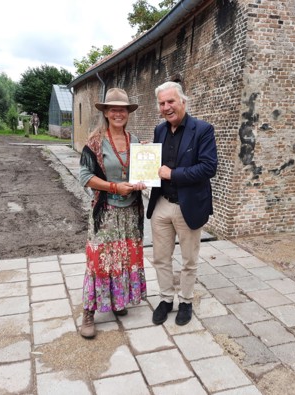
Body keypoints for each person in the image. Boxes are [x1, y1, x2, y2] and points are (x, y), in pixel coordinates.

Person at [146, 81, 218, 326]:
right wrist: (146, 157)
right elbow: (156, 165)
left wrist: (173, 174)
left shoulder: (203, 130)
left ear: (183, 102)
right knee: (160, 258)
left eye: (171, 101)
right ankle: (166, 299)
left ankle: (186, 301)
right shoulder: (160, 131)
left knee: (189, 260)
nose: (166, 107)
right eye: (162, 103)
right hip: (162, 204)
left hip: (189, 205)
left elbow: (209, 167)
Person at [78, 88, 147, 338]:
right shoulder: (95, 142)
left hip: (130, 212)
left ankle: (118, 301)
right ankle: (89, 311)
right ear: (106, 112)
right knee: (99, 260)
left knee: (124, 257)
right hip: (106, 211)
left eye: (123, 109)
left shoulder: (136, 141)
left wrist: (142, 179)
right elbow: (85, 177)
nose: (118, 113)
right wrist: (113, 186)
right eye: (113, 109)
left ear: (128, 113)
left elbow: (141, 172)